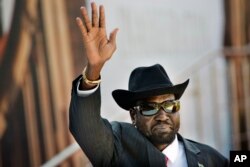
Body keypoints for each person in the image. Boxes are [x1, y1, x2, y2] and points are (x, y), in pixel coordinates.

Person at [69, 2, 229, 167]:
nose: (162, 115)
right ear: (133, 116)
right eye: (149, 107)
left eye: (170, 105)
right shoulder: (116, 150)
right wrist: (94, 68)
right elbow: (85, 127)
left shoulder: (209, 158)